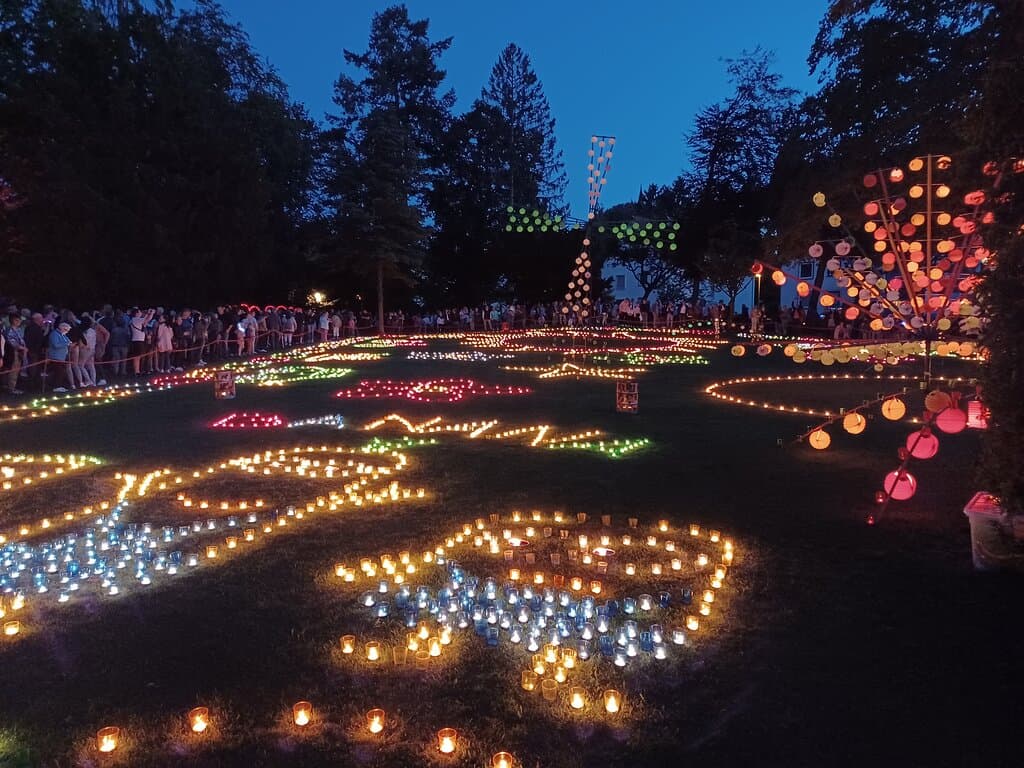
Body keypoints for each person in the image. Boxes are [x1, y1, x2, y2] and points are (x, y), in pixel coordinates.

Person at [4, 313, 26, 394]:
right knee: (14, 370)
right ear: (13, 320)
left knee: (16, 370)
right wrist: (22, 347)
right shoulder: (9, 330)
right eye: (18, 320)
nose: (19, 321)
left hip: (19, 353)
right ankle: (11, 388)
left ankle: (11, 386)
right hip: (13, 353)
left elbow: (21, 340)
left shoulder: (18, 330)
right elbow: (12, 342)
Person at [46, 321, 72, 391]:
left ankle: (59, 385)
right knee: (58, 372)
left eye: (68, 331)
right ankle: (56, 386)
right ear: (62, 328)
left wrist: (68, 343)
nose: (67, 332)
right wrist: (66, 343)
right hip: (56, 356)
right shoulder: (54, 334)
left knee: (61, 372)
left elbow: (69, 341)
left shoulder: (63, 335)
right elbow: (56, 345)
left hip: (62, 357)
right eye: (66, 330)